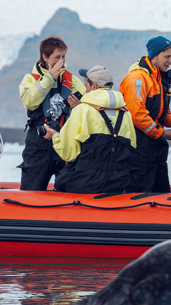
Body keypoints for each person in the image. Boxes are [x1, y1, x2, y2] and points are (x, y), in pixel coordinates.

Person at [44, 65, 137, 194]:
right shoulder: (126, 114)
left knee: (62, 178)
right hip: (118, 182)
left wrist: (54, 136)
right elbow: (131, 147)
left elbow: (68, 154)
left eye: (86, 86)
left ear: (94, 85)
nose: (85, 90)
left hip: (85, 181)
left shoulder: (82, 110)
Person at [17, 36, 86, 191]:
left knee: (67, 191)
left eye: (63, 56)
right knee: (31, 189)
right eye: (57, 57)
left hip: (64, 141)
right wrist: (49, 78)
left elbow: (86, 110)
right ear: (45, 57)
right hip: (38, 143)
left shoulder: (73, 81)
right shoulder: (30, 79)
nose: (61, 61)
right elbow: (29, 101)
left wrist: (78, 107)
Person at [119, 36, 171, 193]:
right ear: (155, 55)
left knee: (160, 189)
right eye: (167, 56)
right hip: (138, 146)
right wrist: (162, 133)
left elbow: (163, 111)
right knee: (141, 189)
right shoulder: (137, 78)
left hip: (154, 147)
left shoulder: (160, 78)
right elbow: (136, 113)